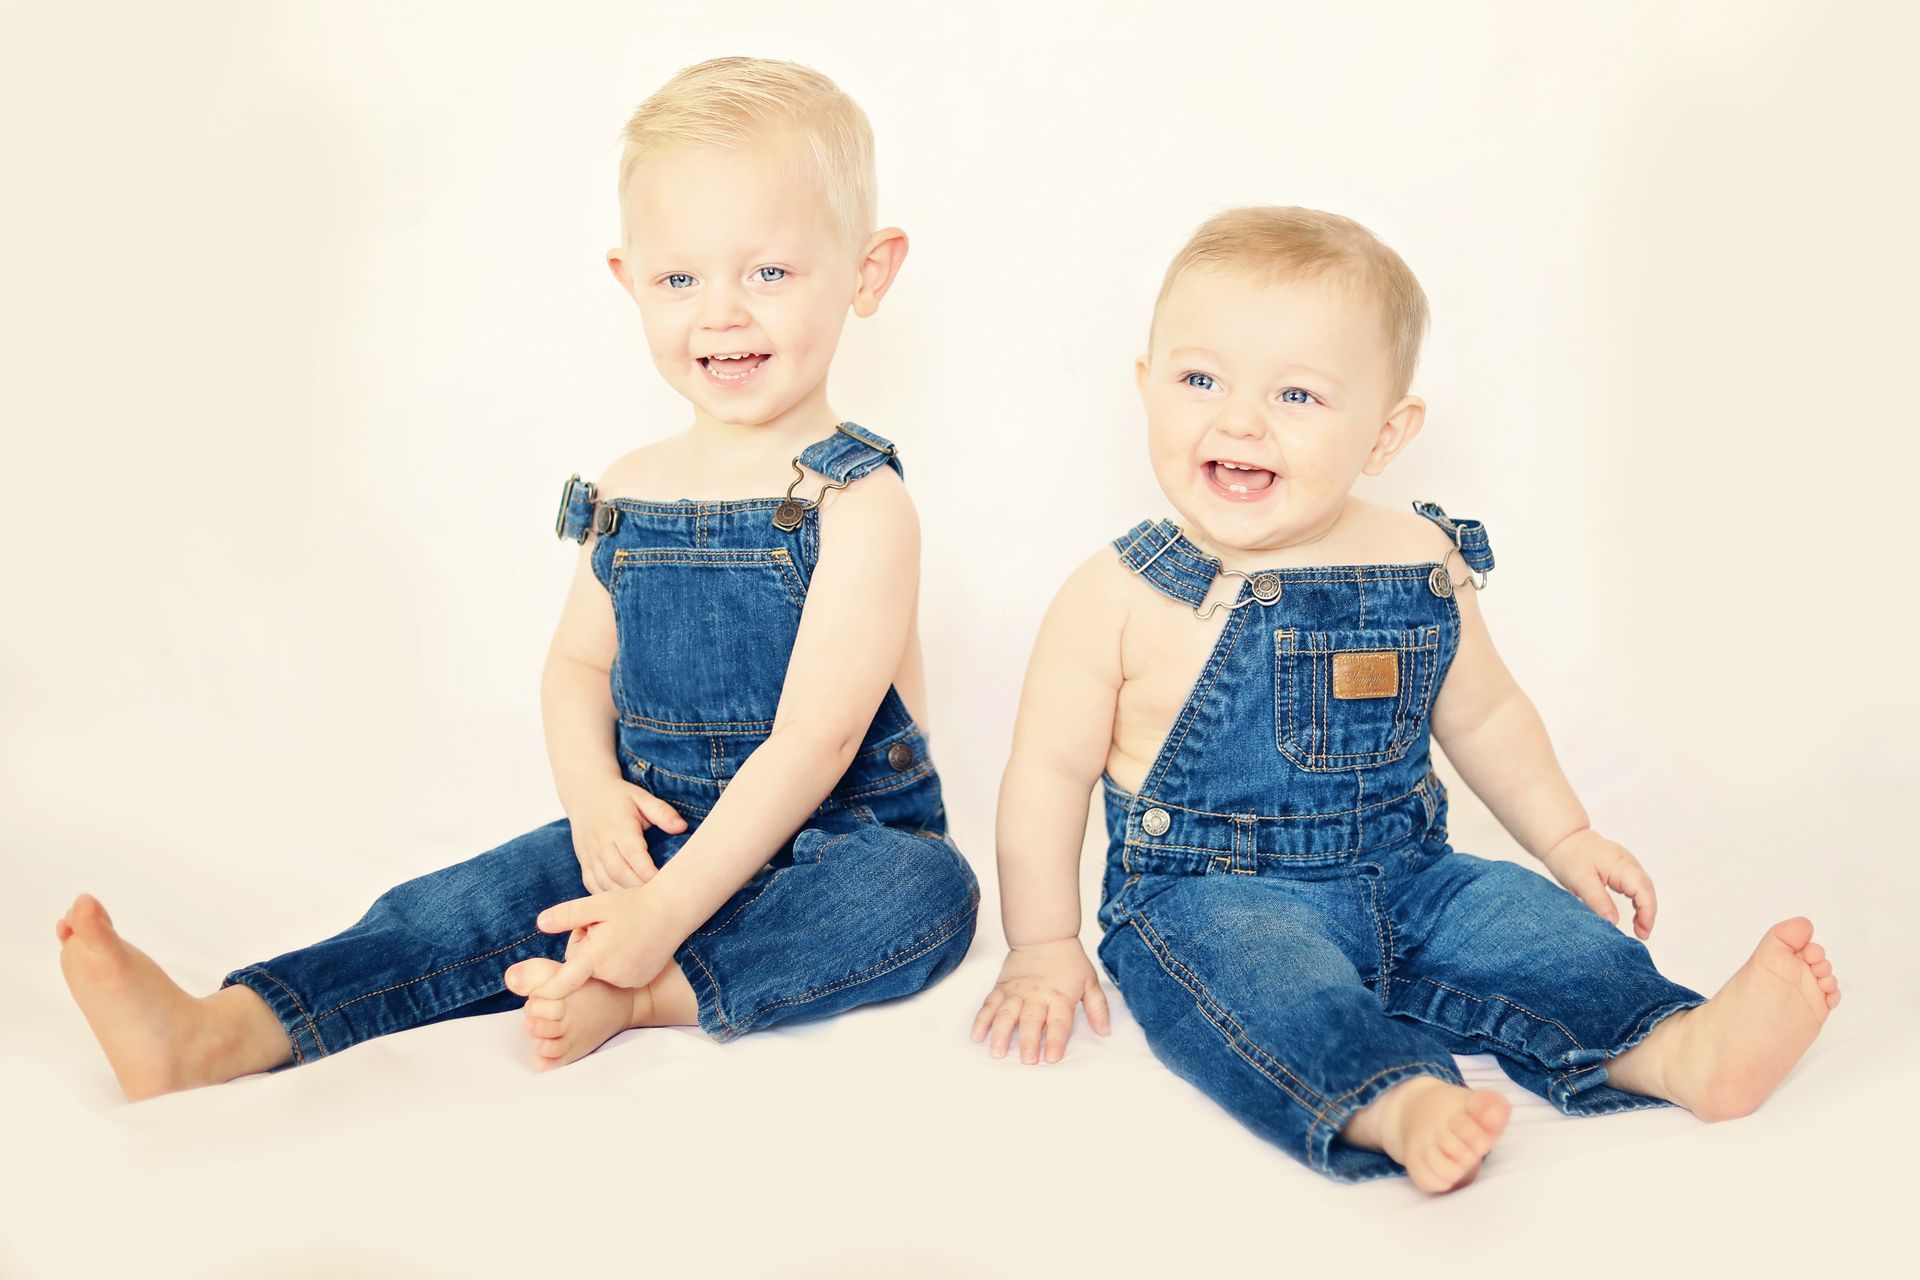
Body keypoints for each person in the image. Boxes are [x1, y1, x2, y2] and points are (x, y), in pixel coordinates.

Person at [56, 55, 978, 1100]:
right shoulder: (630, 487)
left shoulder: (861, 502)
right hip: (656, 822)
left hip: (829, 833)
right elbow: (577, 668)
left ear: (867, 270)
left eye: (767, 272)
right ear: (629, 280)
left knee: (922, 895)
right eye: (682, 278)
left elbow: (814, 740)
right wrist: (595, 807)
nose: (721, 313)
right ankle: (225, 1027)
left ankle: (647, 992)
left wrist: (660, 924)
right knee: (451, 906)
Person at [972, 205, 1839, 1192]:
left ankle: (1671, 1044)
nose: (1239, 418)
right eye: (1200, 378)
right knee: (1264, 988)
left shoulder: (1420, 560)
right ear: (1145, 386)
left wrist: (1565, 838)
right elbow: (1046, 772)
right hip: (1210, 888)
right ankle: (1394, 1100)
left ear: (1387, 433)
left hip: (1412, 867)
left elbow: (1487, 714)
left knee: (1529, 924)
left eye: (1297, 393)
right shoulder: (1124, 591)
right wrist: (1041, 942)